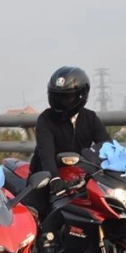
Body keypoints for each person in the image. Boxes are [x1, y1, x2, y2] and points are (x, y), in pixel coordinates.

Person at [25, 66, 111, 222]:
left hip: (81, 174)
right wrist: (54, 179)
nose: (61, 102)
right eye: (57, 97)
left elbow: (107, 146)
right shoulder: (45, 119)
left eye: (67, 97)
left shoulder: (90, 118)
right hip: (46, 175)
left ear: (81, 95)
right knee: (35, 215)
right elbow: (46, 154)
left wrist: (125, 167)